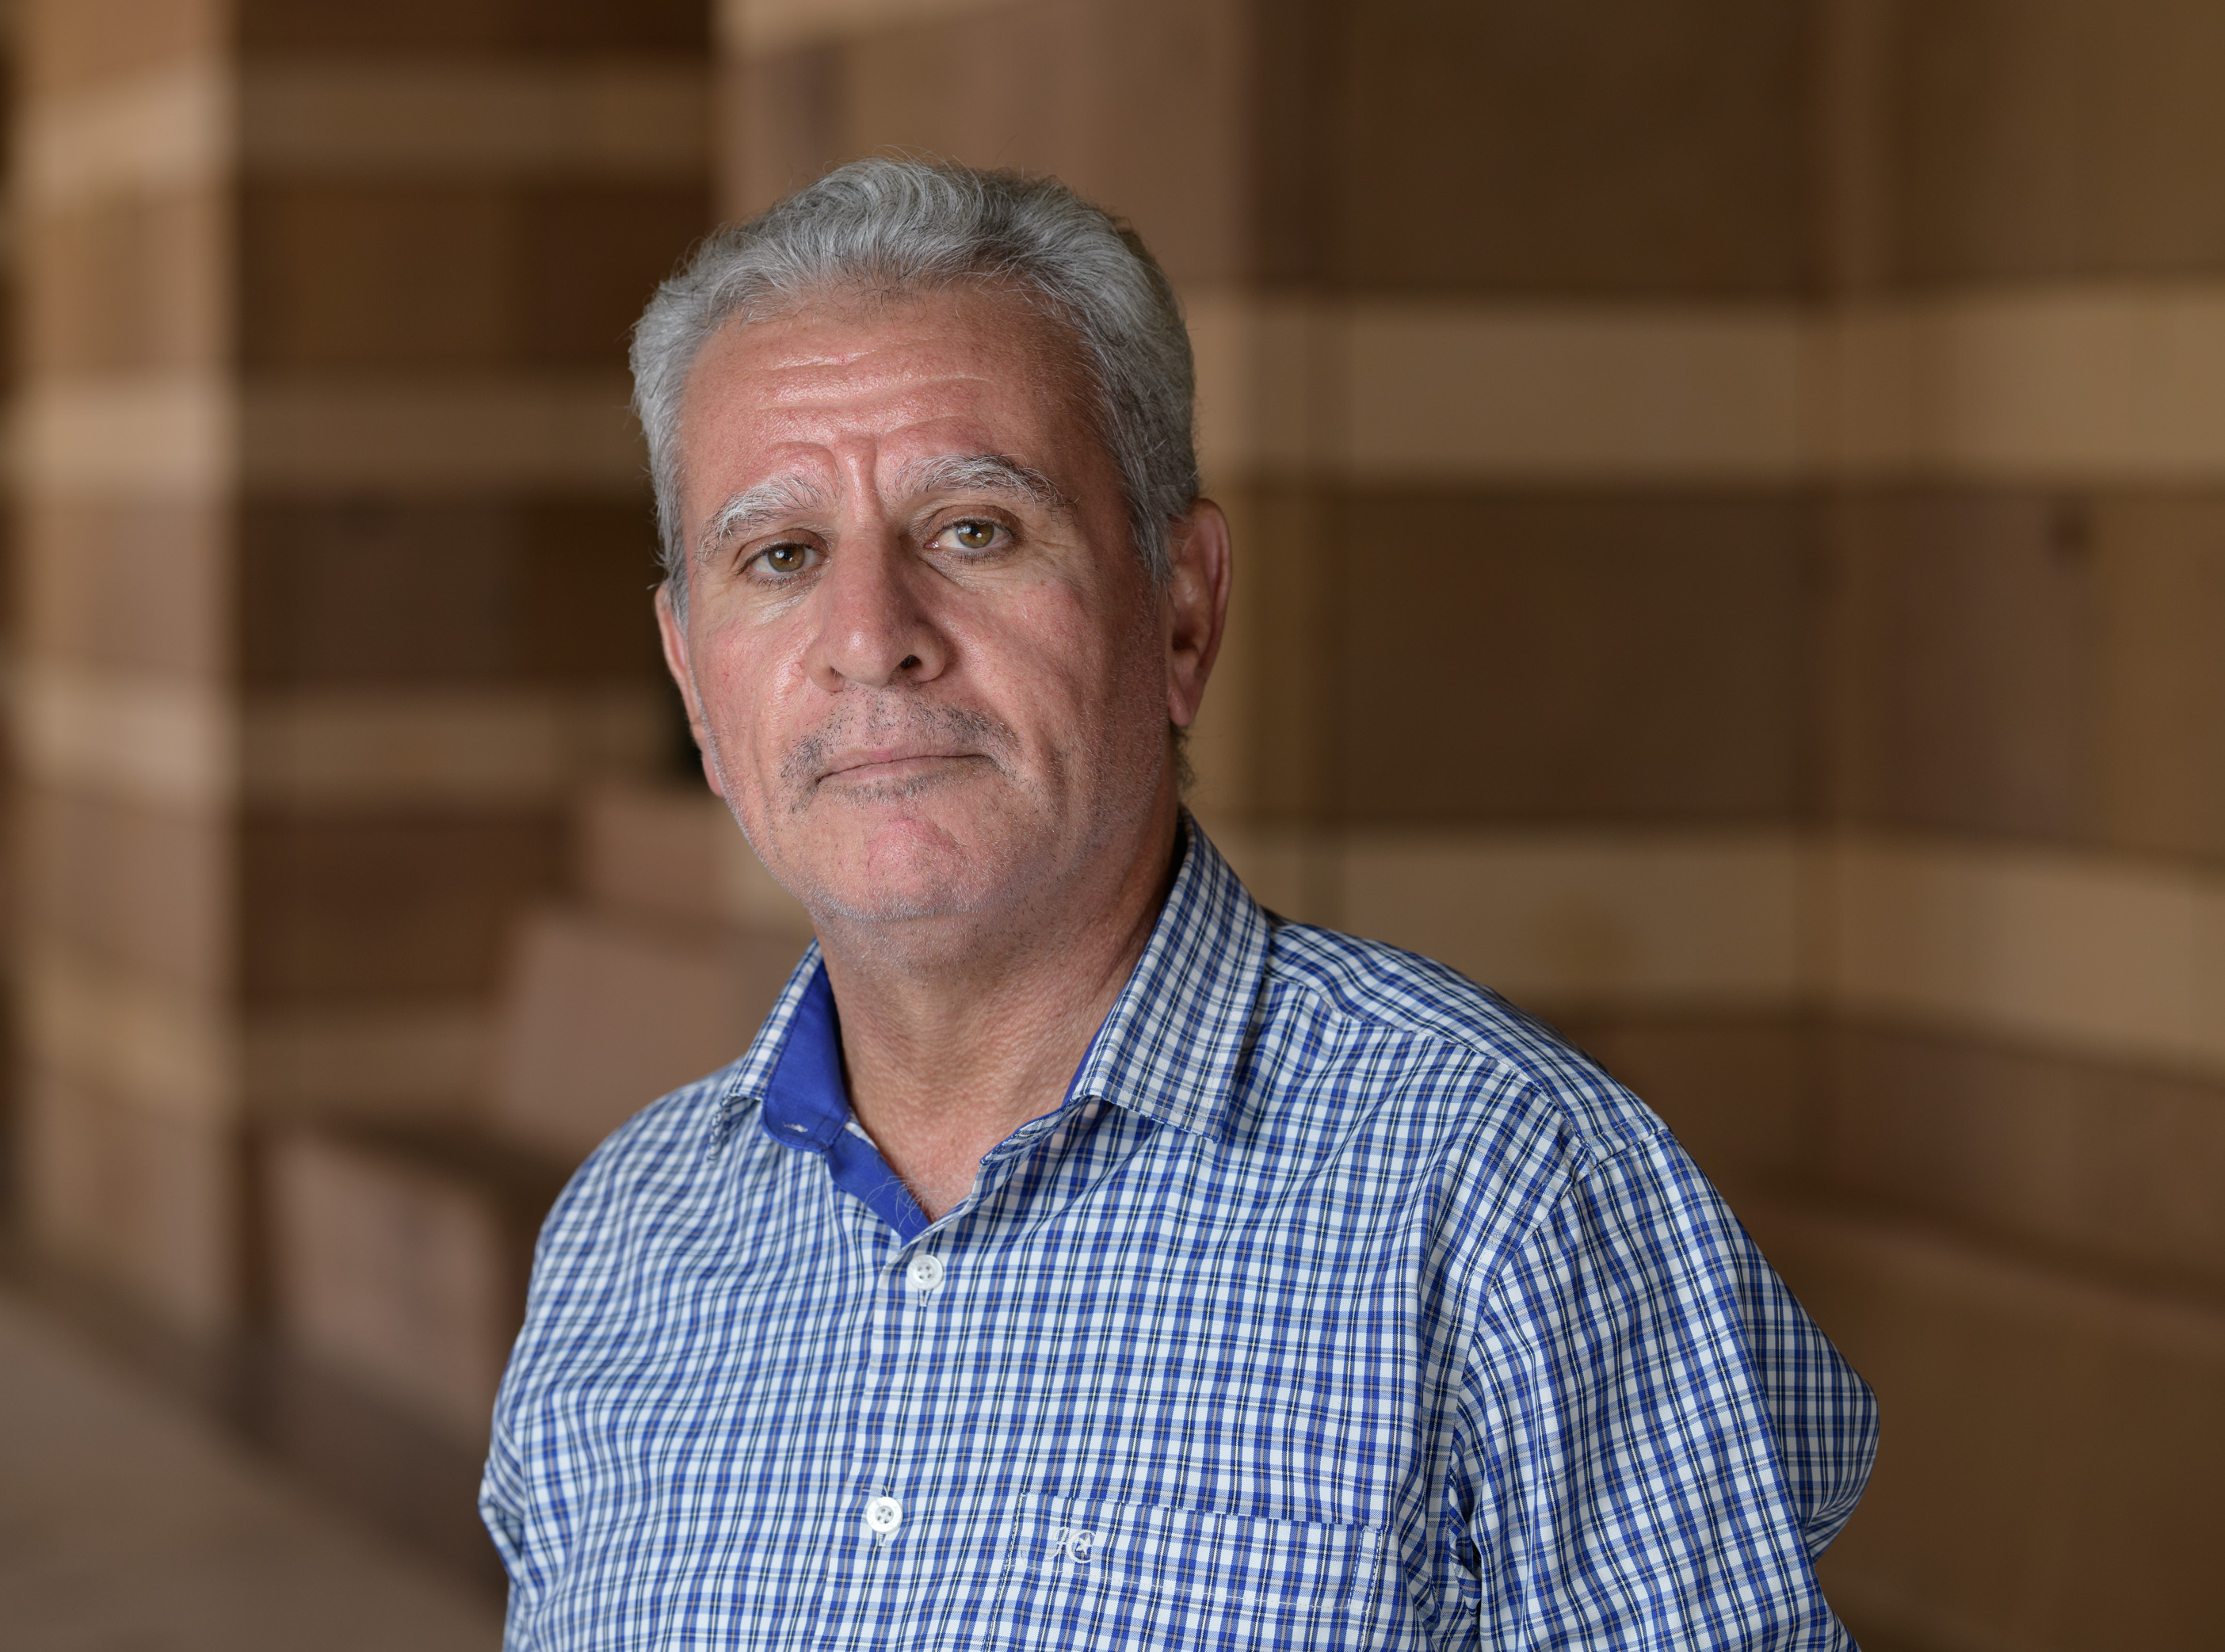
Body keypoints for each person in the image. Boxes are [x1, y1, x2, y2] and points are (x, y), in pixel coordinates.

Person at [479, 157, 1877, 1650]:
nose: (872, 639)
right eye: (780, 556)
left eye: (975, 529)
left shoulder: (1501, 1190)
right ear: (696, 679)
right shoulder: (623, 1243)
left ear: (1183, 610)